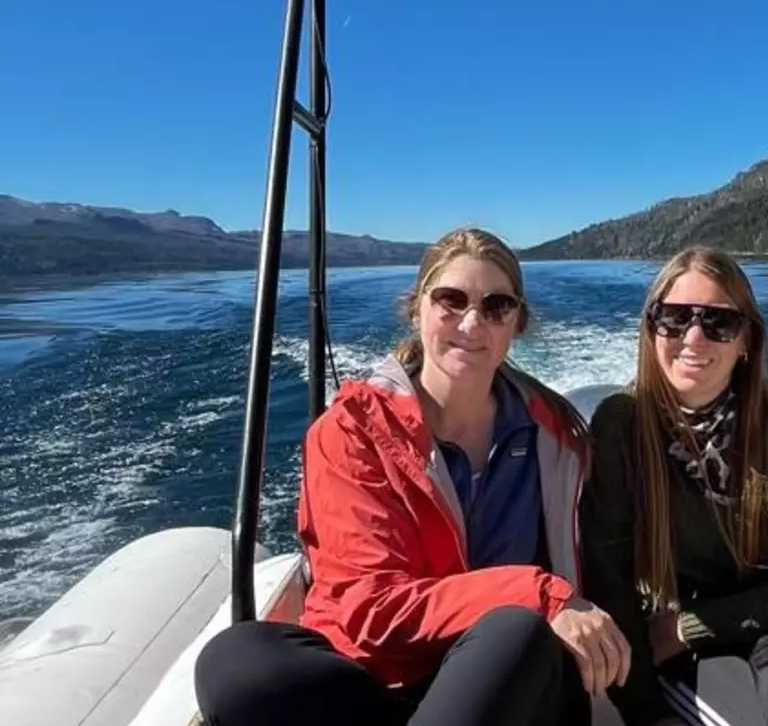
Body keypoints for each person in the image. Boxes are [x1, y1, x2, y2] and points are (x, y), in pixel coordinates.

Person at [193, 227, 630, 726]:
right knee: (236, 664)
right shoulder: (354, 431)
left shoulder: (559, 440)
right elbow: (371, 608)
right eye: (451, 300)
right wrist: (538, 591)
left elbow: (615, 552)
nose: (472, 321)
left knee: (515, 631)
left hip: (513, 675)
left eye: (496, 306)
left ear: (517, 323)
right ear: (417, 310)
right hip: (383, 677)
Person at [580, 246, 768, 726]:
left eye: (719, 322)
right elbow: (608, 579)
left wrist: (687, 628)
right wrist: (646, 713)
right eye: (675, 318)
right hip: (680, 628)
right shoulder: (620, 426)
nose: (694, 337)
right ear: (651, 329)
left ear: (746, 340)